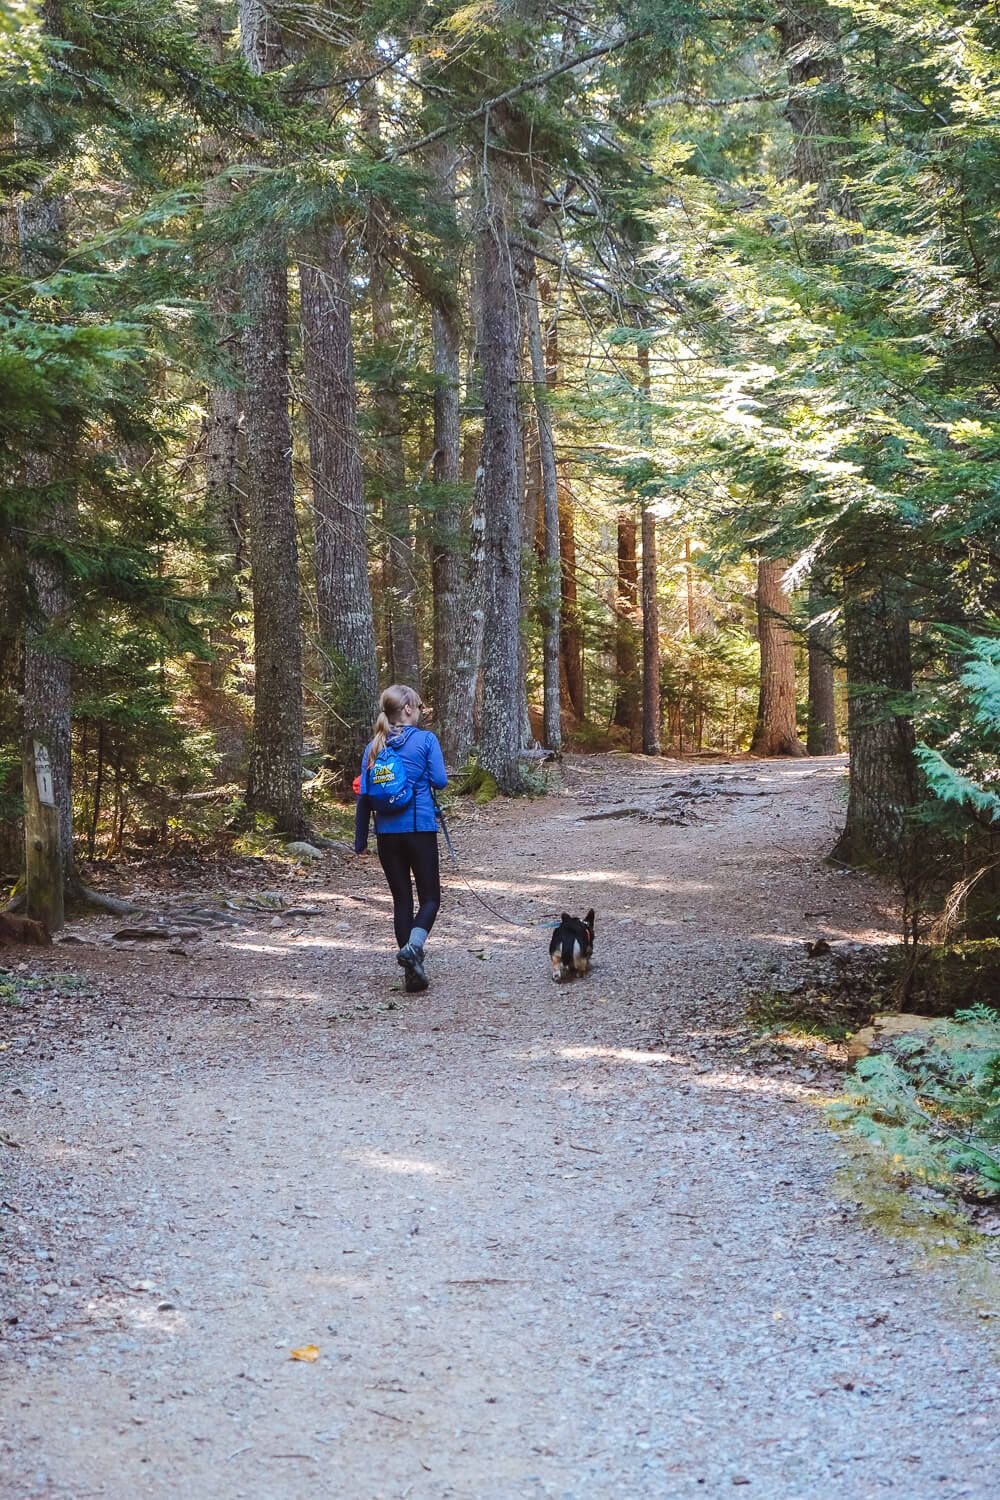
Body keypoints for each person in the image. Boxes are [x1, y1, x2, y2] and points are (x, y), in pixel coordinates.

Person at [354, 684, 448, 993]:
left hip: (386, 835)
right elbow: (440, 781)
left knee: (402, 901)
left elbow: (364, 798)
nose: (420, 711)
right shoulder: (425, 740)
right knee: (430, 898)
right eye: (418, 706)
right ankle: (414, 949)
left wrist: (360, 841)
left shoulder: (374, 746)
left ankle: (411, 973)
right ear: (407, 708)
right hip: (419, 828)